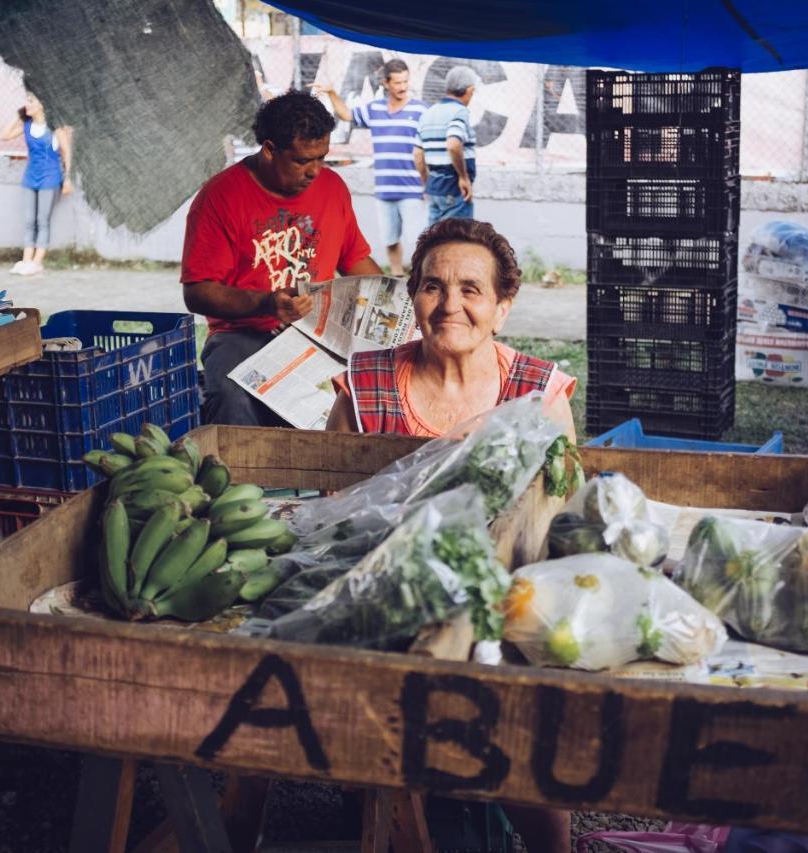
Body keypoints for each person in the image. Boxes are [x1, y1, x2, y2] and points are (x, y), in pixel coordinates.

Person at [326, 217, 574, 851]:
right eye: (432, 287)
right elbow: (335, 500)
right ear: (413, 298)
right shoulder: (367, 383)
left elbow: (561, 518)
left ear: (502, 305)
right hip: (388, 599)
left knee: (513, 733)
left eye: (471, 289)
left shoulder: (539, 393)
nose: (450, 304)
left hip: (506, 604)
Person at [181, 90, 382, 427]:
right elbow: (197, 292)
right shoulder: (220, 197)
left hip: (318, 333)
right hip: (240, 334)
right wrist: (267, 304)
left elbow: (355, 261)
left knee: (356, 398)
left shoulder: (332, 188)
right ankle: (239, 480)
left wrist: (400, 297)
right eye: (303, 160)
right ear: (270, 149)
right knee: (231, 397)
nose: (315, 171)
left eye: (322, 157)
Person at [315, 58, 427, 276]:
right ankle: (396, 277)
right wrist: (331, 93)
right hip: (384, 189)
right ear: (386, 83)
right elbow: (347, 115)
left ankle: (420, 278)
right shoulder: (374, 109)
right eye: (397, 82)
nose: (403, 87)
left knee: (419, 241)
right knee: (390, 239)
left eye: (405, 81)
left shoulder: (420, 110)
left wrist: (425, 182)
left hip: (413, 188)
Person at [0, 92, 73, 276]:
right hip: (30, 177)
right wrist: (17, 115)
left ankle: (37, 262)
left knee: (42, 220)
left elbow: (67, 153)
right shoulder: (26, 125)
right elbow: (5, 135)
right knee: (29, 220)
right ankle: (26, 261)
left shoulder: (55, 127)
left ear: (42, 104)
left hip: (50, 177)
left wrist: (68, 179)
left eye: (31, 101)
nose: (27, 104)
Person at [414, 66, 481, 227]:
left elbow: (417, 155)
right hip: (454, 189)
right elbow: (453, 144)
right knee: (457, 242)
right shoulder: (459, 112)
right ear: (469, 90)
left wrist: (427, 183)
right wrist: (463, 177)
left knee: (433, 242)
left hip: (435, 189)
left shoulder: (428, 113)